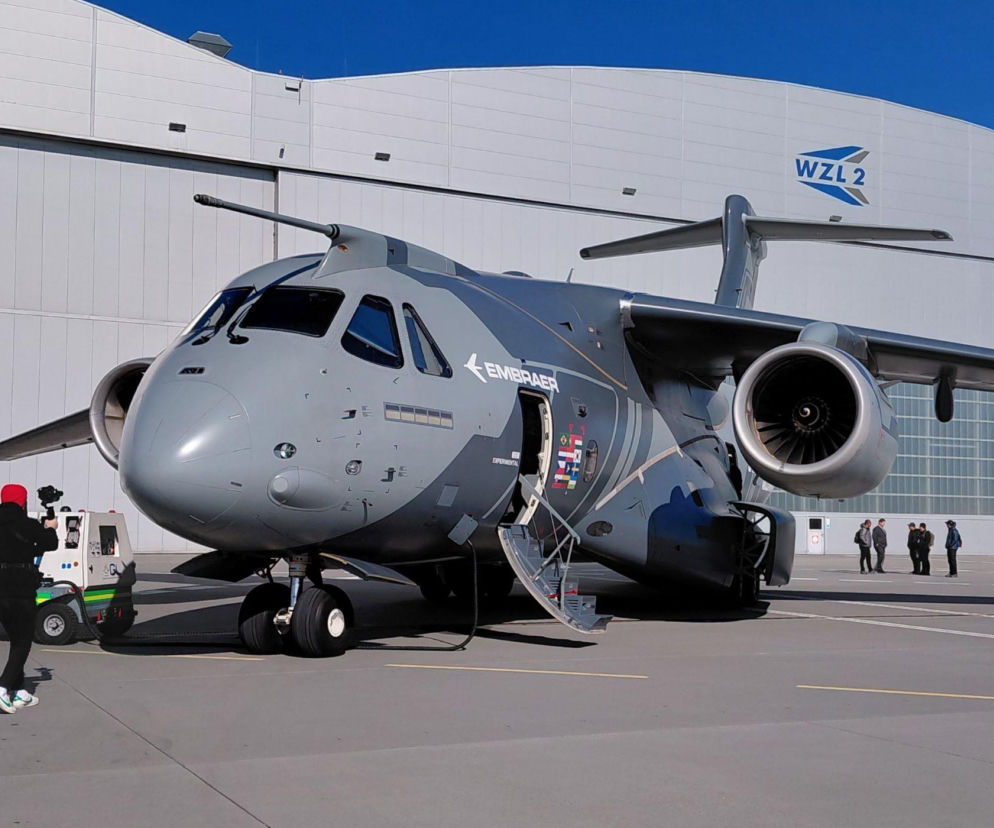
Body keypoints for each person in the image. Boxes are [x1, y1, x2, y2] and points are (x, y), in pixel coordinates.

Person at [0, 484, 58, 714]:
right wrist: (51, 527)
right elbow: (51, 544)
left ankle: (20, 691)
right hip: (21, 591)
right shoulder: (27, 524)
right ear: (22, 502)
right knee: (23, 642)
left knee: (15, 639)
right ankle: (2, 687)